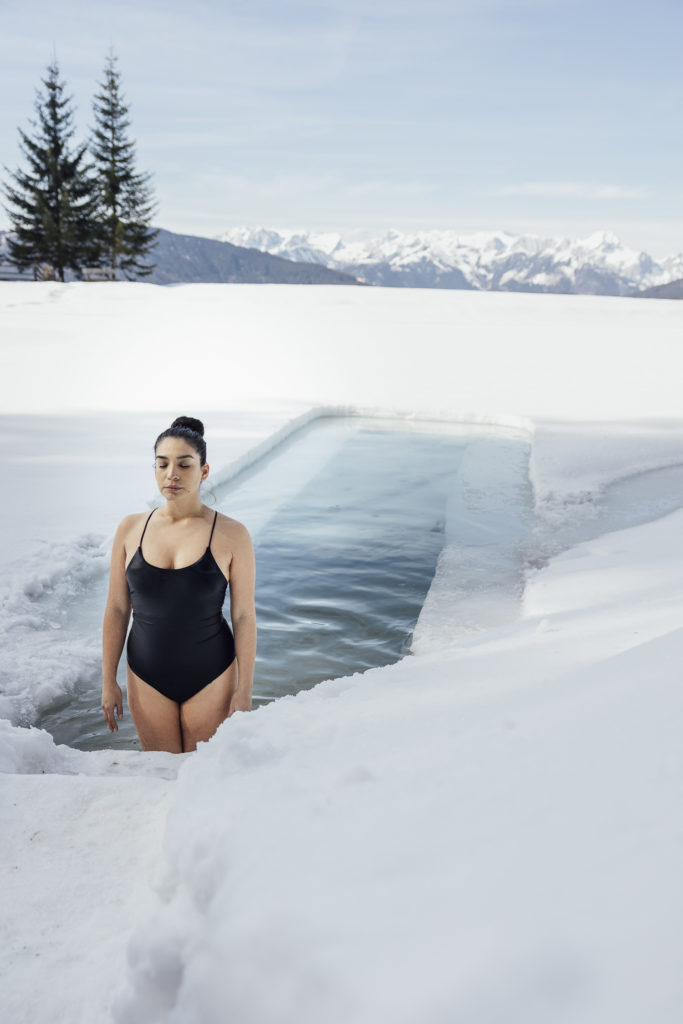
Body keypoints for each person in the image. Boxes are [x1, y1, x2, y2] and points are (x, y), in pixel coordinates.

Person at [101, 416, 256, 753]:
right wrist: (108, 680)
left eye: (184, 464)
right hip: (146, 674)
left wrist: (244, 689)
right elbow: (116, 608)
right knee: (160, 777)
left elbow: (244, 615)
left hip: (212, 672)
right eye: (162, 464)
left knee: (203, 780)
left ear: (203, 471)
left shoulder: (232, 534)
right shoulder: (130, 529)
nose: (172, 473)